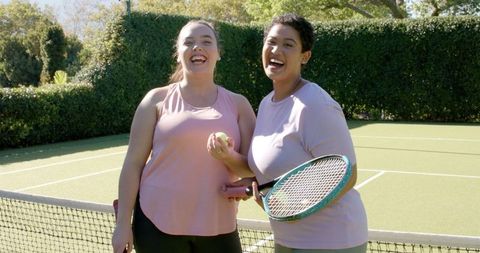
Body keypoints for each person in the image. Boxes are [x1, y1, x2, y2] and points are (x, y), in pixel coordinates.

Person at [111, 20, 256, 253]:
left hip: (219, 225)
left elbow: (251, 170)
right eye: (188, 42)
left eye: (206, 41)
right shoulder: (155, 100)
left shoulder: (240, 105)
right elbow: (133, 164)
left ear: (218, 53)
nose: (197, 47)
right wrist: (122, 225)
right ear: (178, 54)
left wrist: (228, 158)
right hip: (155, 224)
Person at [247, 13, 368, 253]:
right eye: (270, 42)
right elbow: (270, 167)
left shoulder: (315, 104)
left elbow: (348, 174)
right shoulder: (265, 104)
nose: (276, 50)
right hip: (287, 238)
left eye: (288, 44)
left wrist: (294, 209)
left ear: (305, 56)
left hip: (331, 241)